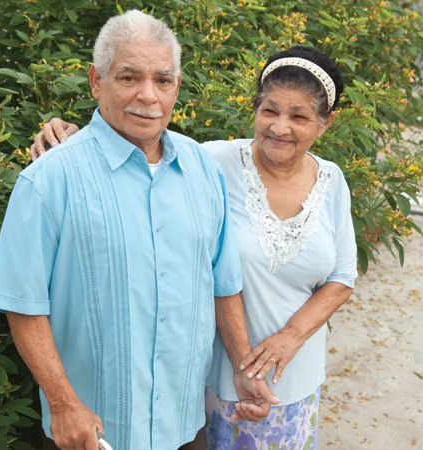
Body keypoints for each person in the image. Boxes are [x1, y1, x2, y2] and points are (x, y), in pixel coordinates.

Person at [33, 45, 358, 449]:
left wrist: (289, 337)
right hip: (211, 381)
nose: (280, 127)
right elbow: (144, 154)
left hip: (295, 377)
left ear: (325, 123)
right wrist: (77, 137)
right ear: (256, 108)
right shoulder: (212, 161)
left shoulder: (332, 180)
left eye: (299, 116)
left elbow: (343, 277)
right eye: (270, 110)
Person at [0, 10, 279, 450]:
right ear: (95, 80)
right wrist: (64, 405)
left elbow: (222, 282)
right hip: (91, 434)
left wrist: (240, 363)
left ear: (177, 87)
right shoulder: (49, 179)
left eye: (163, 80)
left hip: (184, 427)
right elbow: (22, 304)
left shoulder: (202, 169)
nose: (148, 95)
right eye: (128, 77)